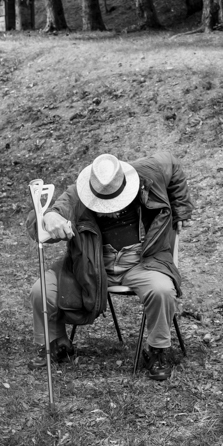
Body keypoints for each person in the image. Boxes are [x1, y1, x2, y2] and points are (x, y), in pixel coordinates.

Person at [26, 152, 195, 382]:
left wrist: (181, 206)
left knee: (162, 290)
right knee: (41, 290)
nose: (113, 210)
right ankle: (57, 343)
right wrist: (49, 218)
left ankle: (156, 350)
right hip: (92, 264)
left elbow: (174, 164)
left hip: (143, 261)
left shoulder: (148, 172)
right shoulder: (78, 193)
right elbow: (42, 223)